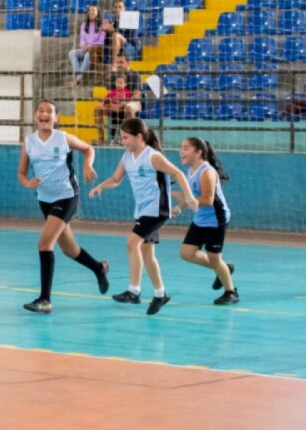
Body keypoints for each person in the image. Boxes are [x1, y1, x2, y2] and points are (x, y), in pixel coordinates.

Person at [88, 118, 197, 315]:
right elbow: (116, 179)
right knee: (147, 252)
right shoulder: (127, 156)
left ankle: (134, 291)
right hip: (143, 210)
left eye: (125, 138)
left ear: (139, 137)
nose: (122, 142)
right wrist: (101, 186)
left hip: (157, 209)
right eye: (121, 138)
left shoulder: (152, 156)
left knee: (132, 243)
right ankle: (160, 293)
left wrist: (189, 197)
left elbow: (178, 173)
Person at [17, 99, 108, 313]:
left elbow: (88, 149)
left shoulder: (63, 138)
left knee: (44, 243)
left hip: (66, 196)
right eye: (41, 110)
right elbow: (21, 173)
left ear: (55, 118)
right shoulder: (29, 141)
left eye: (49, 111)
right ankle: (99, 268)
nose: (44, 114)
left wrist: (88, 164)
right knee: (70, 249)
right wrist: (28, 182)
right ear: (35, 116)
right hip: (44, 199)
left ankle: (45, 300)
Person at [175, 137, 238, 305]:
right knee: (186, 253)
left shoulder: (207, 172)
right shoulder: (190, 170)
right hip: (201, 219)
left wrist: (186, 201)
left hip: (215, 220)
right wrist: (180, 206)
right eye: (181, 148)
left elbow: (207, 200)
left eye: (186, 148)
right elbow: (192, 197)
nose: (181, 151)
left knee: (214, 259)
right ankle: (224, 269)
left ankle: (231, 292)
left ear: (198, 152)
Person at [95, 72, 138, 145]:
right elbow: (106, 99)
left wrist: (120, 106)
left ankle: (120, 139)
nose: (118, 84)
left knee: (122, 126)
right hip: (113, 112)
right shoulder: (112, 92)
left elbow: (127, 102)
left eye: (121, 83)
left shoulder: (126, 92)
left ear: (125, 84)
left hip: (121, 113)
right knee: (113, 126)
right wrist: (102, 103)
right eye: (117, 82)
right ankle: (111, 139)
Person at [68, 5, 105, 84]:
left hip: (96, 50)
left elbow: (101, 41)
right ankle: (78, 77)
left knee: (88, 55)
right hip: (86, 49)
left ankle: (78, 79)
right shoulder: (84, 25)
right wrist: (83, 46)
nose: (91, 12)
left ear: (98, 12)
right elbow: (82, 40)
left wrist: (90, 47)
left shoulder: (102, 25)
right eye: (89, 10)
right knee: (72, 53)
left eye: (93, 10)